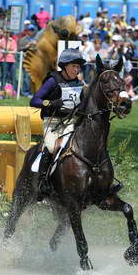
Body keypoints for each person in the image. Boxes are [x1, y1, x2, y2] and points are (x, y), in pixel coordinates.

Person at [29, 48, 85, 196]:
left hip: (71, 122)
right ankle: (43, 182)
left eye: (78, 66)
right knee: (51, 147)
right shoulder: (53, 81)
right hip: (52, 122)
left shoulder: (78, 83)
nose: (77, 69)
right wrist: (50, 103)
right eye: (74, 66)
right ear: (65, 65)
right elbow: (34, 101)